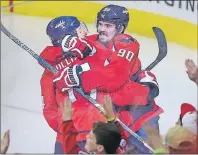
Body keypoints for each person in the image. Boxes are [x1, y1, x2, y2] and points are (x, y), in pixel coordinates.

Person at [53, 4, 163, 153]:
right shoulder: (91, 42)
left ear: (120, 28)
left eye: (108, 25)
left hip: (140, 120)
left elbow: (113, 78)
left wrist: (79, 77)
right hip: (114, 122)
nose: (102, 29)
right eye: (100, 24)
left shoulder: (127, 44)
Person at [40, 16, 108, 154]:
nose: (84, 32)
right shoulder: (94, 50)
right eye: (80, 29)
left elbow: (49, 110)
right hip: (98, 135)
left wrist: (65, 128)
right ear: (70, 36)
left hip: (66, 137)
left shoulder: (48, 72)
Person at [60, 95, 126, 154]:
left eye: (91, 137)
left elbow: (71, 151)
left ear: (100, 147)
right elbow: (121, 141)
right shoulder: (117, 150)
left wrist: (67, 122)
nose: (86, 137)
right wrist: (111, 119)